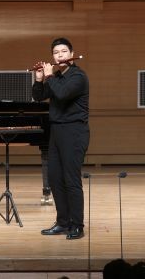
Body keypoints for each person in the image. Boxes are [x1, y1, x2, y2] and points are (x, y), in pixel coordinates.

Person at [33, 37, 90, 241]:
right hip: (57, 131)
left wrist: (49, 77)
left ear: (71, 54)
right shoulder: (56, 76)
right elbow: (39, 96)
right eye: (56, 53)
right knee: (55, 179)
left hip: (74, 131)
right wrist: (39, 79)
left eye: (64, 51)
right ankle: (63, 222)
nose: (60, 55)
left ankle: (77, 225)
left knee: (71, 180)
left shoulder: (78, 76)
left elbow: (63, 94)